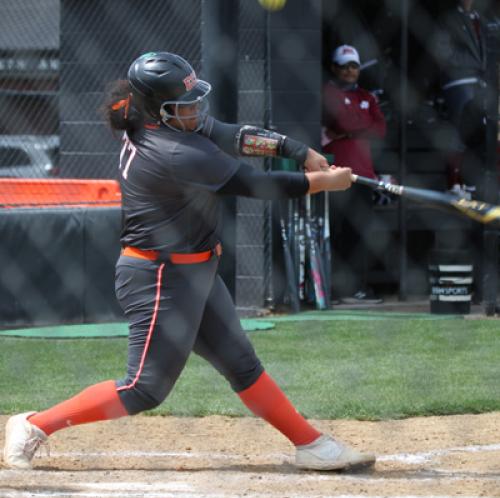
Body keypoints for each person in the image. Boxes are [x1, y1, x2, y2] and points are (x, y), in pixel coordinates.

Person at [3, 51, 375, 472]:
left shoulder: (161, 121)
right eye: (184, 105)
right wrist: (322, 182)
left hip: (196, 269)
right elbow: (255, 184)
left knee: (242, 365)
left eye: (195, 100)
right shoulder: (174, 150)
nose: (196, 110)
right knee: (144, 388)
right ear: (158, 111)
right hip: (160, 276)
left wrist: (298, 149)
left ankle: (311, 444)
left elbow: (233, 135)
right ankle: (34, 425)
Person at [322, 44, 386, 304]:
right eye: (344, 66)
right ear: (335, 68)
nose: (350, 71)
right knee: (340, 231)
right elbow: (343, 121)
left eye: (354, 66)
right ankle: (339, 288)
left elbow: (379, 130)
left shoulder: (367, 97)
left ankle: (358, 287)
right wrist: (357, 126)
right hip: (337, 173)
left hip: (364, 173)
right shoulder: (328, 92)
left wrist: (352, 129)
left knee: (362, 233)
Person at [433, 0, 488, 197]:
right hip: (458, 80)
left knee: (480, 131)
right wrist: (473, 63)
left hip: (480, 81)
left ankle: (471, 184)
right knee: (459, 131)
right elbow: (442, 51)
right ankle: (453, 184)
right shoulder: (449, 19)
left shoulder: (481, 18)